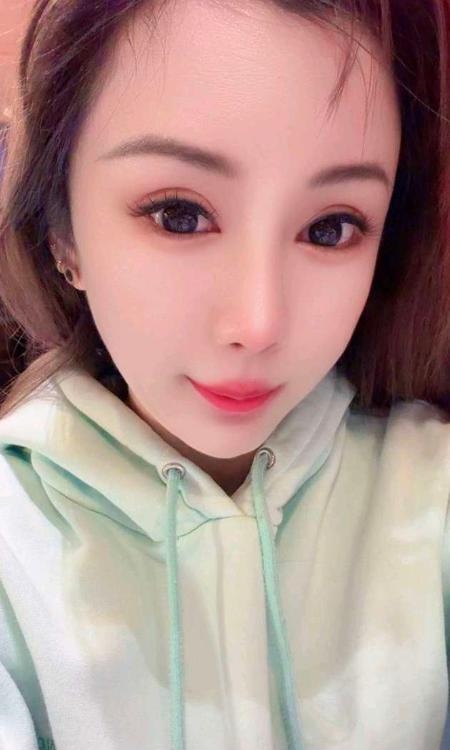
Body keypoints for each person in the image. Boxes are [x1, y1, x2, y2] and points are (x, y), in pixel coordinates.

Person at [0, 0, 449, 748]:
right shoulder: (14, 543)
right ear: (62, 233)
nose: (258, 323)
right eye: (179, 214)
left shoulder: (431, 498)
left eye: (331, 228)